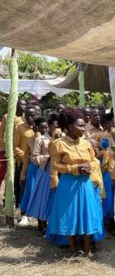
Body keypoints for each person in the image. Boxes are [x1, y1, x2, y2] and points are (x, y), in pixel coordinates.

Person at [46, 108, 103, 257]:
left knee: (87, 214)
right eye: (80, 126)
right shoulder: (58, 144)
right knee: (69, 215)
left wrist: (89, 166)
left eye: (84, 125)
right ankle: (72, 249)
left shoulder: (86, 143)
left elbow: (95, 161)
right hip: (68, 185)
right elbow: (55, 165)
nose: (84, 128)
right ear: (70, 126)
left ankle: (87, 249)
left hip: (86, 184)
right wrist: (74, 168)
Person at [26, 116, 54, 233]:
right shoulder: (40, 139)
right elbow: (34, 157)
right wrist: (47, 157)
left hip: (56, 172)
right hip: (45, 171)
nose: (45, 129)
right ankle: (41, 224)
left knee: (52, 198)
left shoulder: (58, 138)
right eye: (42, 127)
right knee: (42, 198)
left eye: (46, 127)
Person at [14, 106, 38, 222]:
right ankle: (24, 214)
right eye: (27, 115)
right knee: (24, 187)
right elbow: (15, 146)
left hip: (40, 165)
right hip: (24, 163)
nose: (29, 118)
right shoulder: (20, 127)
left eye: (32, 115)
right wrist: (25, 157)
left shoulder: (42, 127)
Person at [0, 100, 26, 192]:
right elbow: (1, 134)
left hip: (20, 152)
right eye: (22, 104)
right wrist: (6, 147)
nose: (24, 106)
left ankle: (10, 194)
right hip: (6, 150)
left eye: (25, 104)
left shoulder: (25, 118)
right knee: (2, 174)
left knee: (15, 175)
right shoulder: (7, 117)